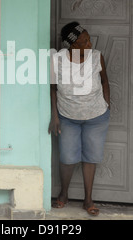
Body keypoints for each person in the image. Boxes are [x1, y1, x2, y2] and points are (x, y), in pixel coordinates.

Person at [48, 21, 111, 216]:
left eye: (89, 39)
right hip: (67, 117)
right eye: (84, 41)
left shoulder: (96, 57)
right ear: (72, 46)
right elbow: (53, 88)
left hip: (96, 116)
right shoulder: (57, 60)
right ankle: (64, 194)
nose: (89, 44)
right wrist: (54, 116)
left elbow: (105, 80)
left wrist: (107, 101)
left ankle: (88, 199)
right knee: (67, 157)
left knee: (91, 157)